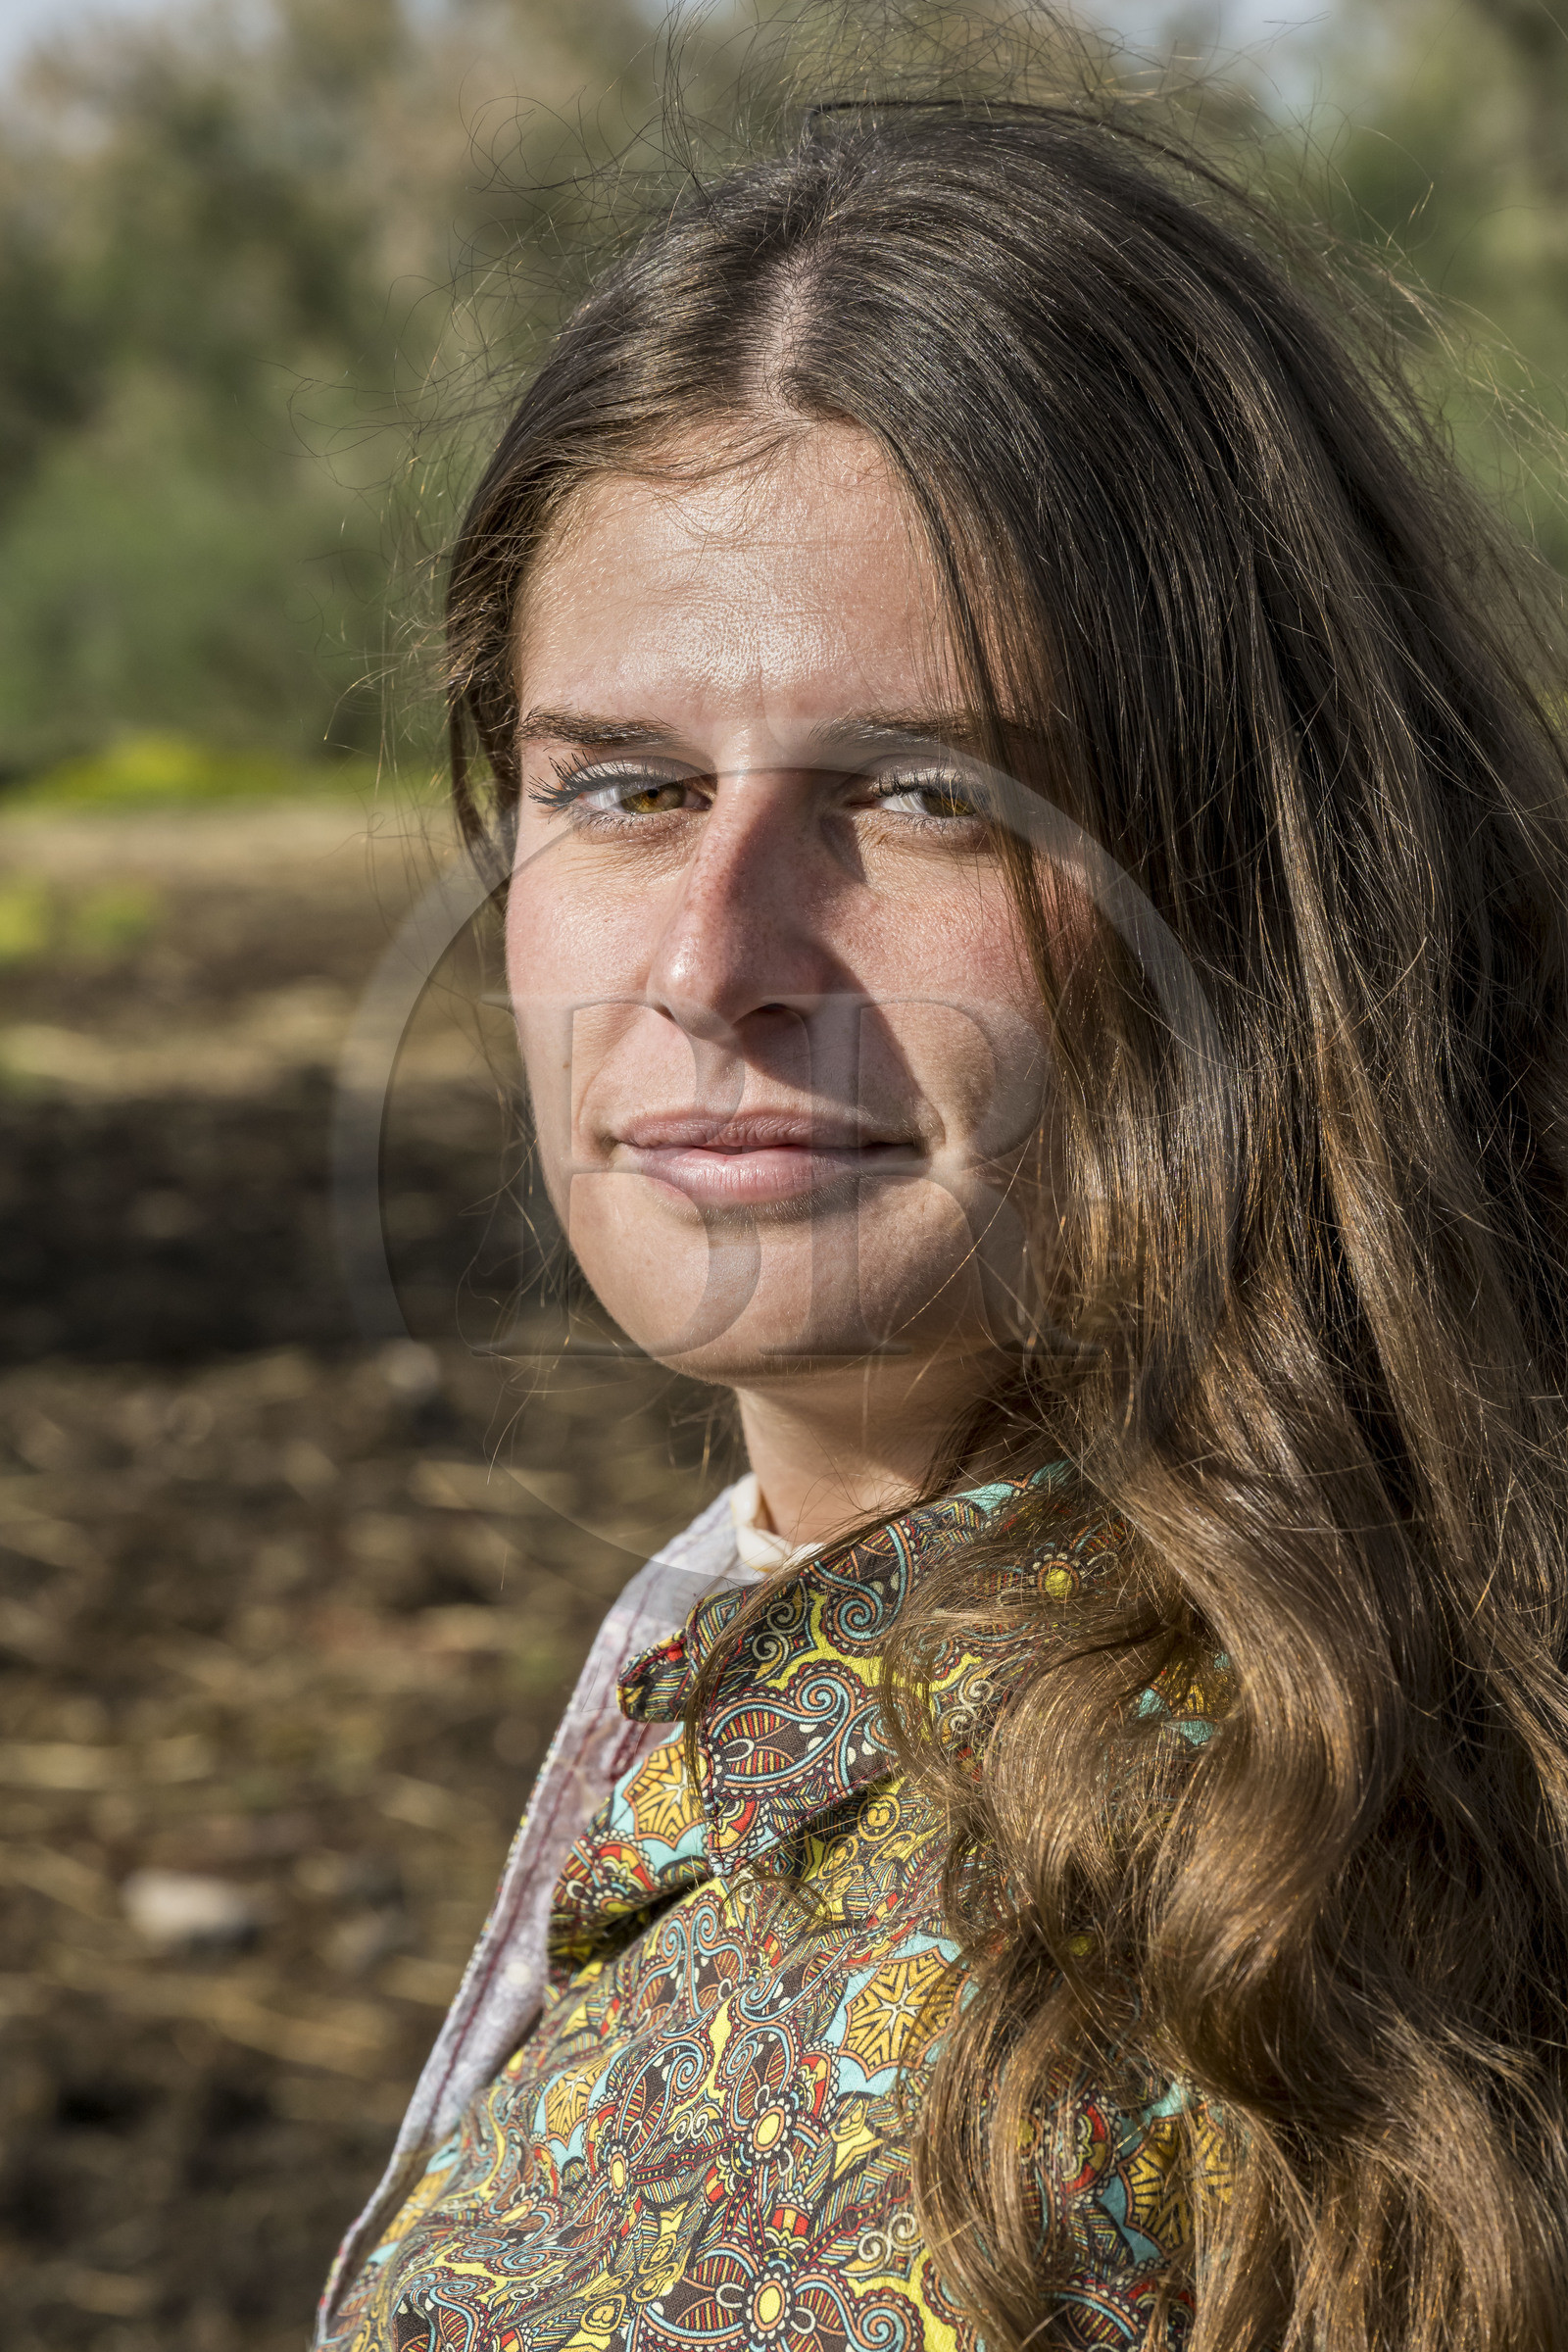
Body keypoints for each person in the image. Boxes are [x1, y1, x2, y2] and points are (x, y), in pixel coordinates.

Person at [316, 96, 1568, 2352]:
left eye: (920, 795)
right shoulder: (785, 1673)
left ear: (1255, 888)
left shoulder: (1187, 1949)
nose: (711, 957)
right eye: (627, 786)